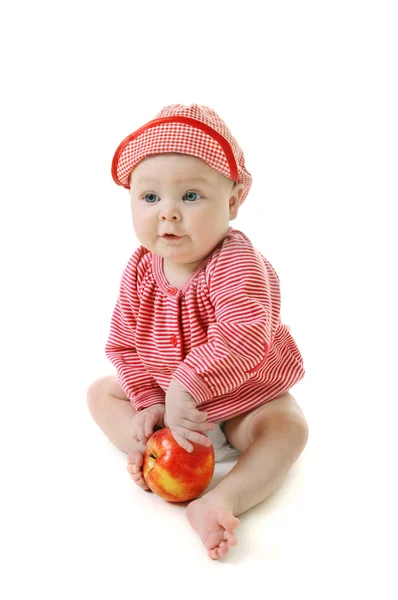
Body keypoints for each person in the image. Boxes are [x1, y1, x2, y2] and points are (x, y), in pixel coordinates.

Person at [87, 103, 309, 560]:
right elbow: (125, 343)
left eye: (190, 196)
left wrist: (189, 383)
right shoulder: (139, 270)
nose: (168, 214)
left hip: (244, 400)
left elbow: (244, 335)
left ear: (232, 201)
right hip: (173, 414)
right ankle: (154, 450)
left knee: (288, 428)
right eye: (150, 198)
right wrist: (149, 402)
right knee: (100, 393)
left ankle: (222, 499)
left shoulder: (236, 263)